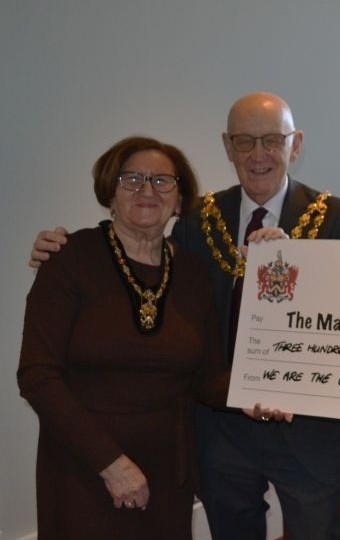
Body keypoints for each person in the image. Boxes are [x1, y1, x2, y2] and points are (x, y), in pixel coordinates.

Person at [32, 92, 340, 540]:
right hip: (218, 433)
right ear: (227, 147)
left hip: (304, 432)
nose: (258, 155)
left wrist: (297, 264)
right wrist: (57, 244)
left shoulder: (333, 216)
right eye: (244, 142)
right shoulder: (198, 221)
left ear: (296, 144)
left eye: (272, 140)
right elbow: (151, 285)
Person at [18, 136, 289, 540]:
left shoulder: (194, 274)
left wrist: (254, 396)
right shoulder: (69, 259)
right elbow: (38, 376)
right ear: (111, 193)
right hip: (83, 463)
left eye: (162, 181)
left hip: (168, 469)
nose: (147, 190)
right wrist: (111, 463)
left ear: (179, 201)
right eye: (133, 179)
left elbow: (208, 376)